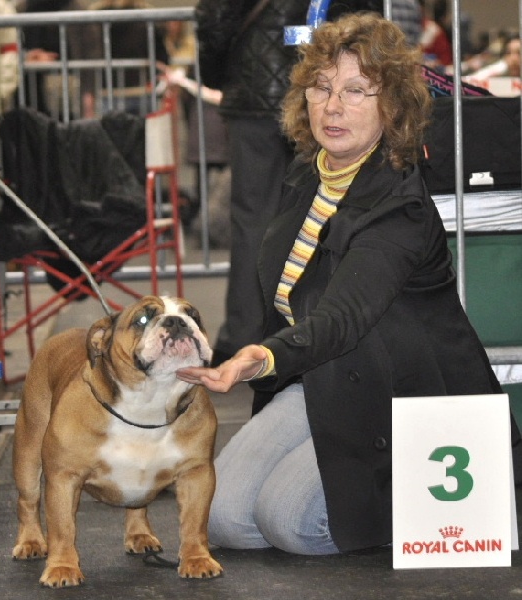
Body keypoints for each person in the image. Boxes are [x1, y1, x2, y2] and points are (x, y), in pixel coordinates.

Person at [177, 12, 522, 555]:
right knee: (223, 519)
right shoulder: (307, 172)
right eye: (321, 87)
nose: (332, 106)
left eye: (356, 91)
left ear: (393, 107)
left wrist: (262, 358)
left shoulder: (399, 206)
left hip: (401, 395)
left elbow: (341, 318)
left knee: (289, 524)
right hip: (321, 375)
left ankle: (434, 510)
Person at [195, 0, 383, 367]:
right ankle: (323, 332)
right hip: (330, 89)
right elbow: (366, 15)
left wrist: (221, 72)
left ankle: (244, 337)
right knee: (334, 206)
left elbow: (215, 17)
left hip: (255, 91)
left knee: (252, 221)